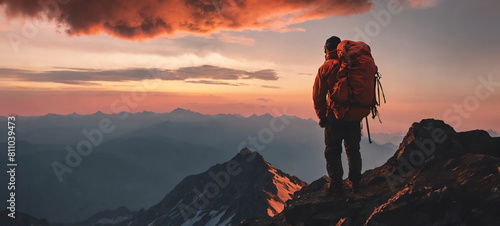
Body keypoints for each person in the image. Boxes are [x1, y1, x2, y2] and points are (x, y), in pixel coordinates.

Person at [312, 36, 362, 197]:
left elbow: (318, 96)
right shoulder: (352, 64)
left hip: (334, 116)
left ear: (326, 49)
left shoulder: (325, 67)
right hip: (354, 115)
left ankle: (336, 186)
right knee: (353, 150)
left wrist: (321, 116)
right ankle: (356, 184)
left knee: (333, 151)